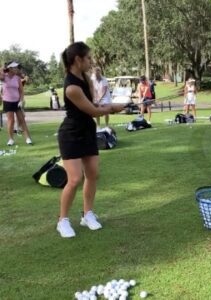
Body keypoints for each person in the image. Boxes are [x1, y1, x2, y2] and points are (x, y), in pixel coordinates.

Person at [57, 41, 125, 238]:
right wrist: (113, 107)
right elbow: (93, 111)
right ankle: (62, 220)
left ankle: (87, 215)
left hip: (87, 132)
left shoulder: (85, 79)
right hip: (70, 135)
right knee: (75, 179)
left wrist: (111, 106)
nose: (90, 61)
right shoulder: (71, 87)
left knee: (93, 174)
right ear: (77, 60)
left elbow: (93, 104)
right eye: (88, 58)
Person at [0, 61, 32, 146]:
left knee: (22, 120)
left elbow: (21, 91)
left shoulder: (17, 78)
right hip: (7, 101)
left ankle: (28, 139)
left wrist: (21, 100)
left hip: (17, 101)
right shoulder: (4, 77)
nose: (16, 69)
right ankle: (11, 139)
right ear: (9, 68)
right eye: (14, 67)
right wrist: (4, 67)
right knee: (11, 121)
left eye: (16, 67)